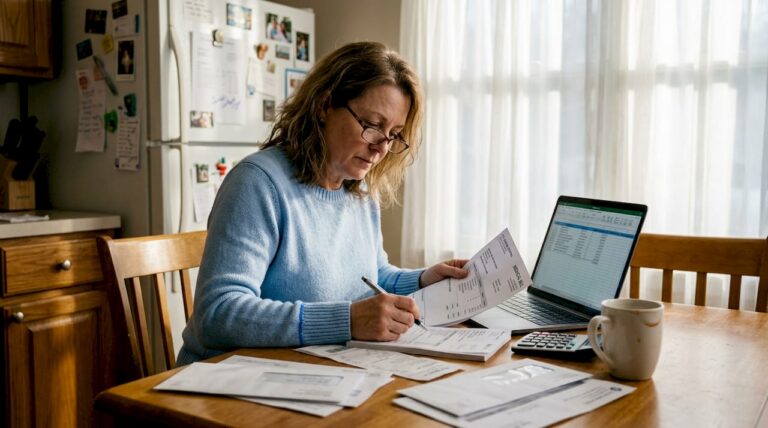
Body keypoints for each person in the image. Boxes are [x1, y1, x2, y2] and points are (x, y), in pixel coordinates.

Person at [177, 41, 468, 365]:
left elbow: (372, 275)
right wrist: (347, 321)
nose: (381, 148)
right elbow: (218, 314)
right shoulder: (257, 184)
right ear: (324, 105)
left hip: (310, 373)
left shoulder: (358, 192)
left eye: (394, 134)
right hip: (224, 383)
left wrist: (422, 280)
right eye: (372, 126)